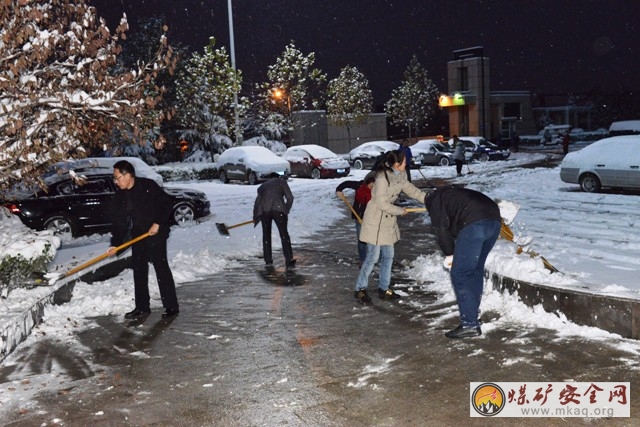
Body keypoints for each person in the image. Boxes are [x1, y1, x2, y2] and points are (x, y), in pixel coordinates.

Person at [424, 186, 502, 338]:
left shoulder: (434, 201)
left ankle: (469, 324)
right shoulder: (452, 194)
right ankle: (473, 314)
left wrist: (449, 254)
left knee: (460, 273)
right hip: (494, 221)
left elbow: (442, 230)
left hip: (475, 224)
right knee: (475, 270)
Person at [107, 160, 179, 319]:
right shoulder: (120, 195)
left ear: (128, 175)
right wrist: (115, 245)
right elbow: (118, 222)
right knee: (139, 269)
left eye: (117, 177)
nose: (116, 181)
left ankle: (171, 306)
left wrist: (157, 223)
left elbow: (166, 204)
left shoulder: (148, 186)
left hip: (156, 232)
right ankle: (142, 307)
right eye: (115, 178)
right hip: (139, 234)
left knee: (160, 266)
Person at [354, 150, 427, 304]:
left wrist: (428, 199)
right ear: (396, 164)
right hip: (375, 220)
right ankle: (360, 289)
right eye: (404, 162)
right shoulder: (382, 178)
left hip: (387, 221)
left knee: (388, 256)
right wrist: (400, 211)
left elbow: (411, 190)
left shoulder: (400, 175)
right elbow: (381, 203)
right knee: (372, 257)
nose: (406, 164)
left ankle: (384, 288)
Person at [253, 173, 296, 268]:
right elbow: (290, 198)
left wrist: (256, 217)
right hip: (279, 209)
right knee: (284, 234)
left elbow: (257, 204)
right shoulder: (281, 181)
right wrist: (286, 210)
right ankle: (289, 259)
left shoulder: (262, 186)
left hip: (264, 211)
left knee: (266, 235)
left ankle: (268, 260)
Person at [335, 172, 376, 266]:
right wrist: (339, 190)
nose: (372, 188)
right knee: (361, 240)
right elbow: (346, 184)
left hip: (372, 219)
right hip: (359, 218)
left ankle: (373, 259)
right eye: (371, 185)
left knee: (373, 240)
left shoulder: (378, 192)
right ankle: (362, 259)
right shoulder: (359, 186)